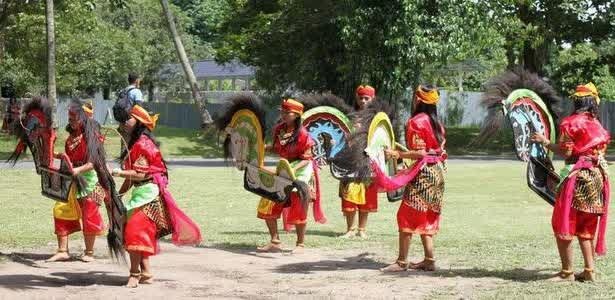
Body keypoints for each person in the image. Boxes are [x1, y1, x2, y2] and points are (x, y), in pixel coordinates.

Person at [112, 103, 202, 288]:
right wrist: (118, 194)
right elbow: (132, 178)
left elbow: (140, 174)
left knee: (134, 231)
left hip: (148, 193)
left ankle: (134, 274)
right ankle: (146, 273)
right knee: (137, 232)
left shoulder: (144, 144)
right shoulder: (134, 143)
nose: (124, 123)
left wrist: (119, 173)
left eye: (129, 119)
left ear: (139, 123)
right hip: (140, 192)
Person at [531, 83, 610, 282]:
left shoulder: (571, 123)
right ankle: (589, 271)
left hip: (578, 176)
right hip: (597, 176)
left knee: (564, 220)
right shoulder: (597, 124)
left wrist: (545, 141)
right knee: (587, 221)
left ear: (576, 102)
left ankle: (567, 272)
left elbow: (566, 152)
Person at [380, 85, 447, 272]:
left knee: (406, 214)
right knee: (426, 214)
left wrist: (396, 154)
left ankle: (402, 261)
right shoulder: (437, 124)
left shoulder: (417, 121)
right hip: (438, 173)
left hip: (423, 174)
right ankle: (429, 259)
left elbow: (419, 153)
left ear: (417, 100)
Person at [256, 99, 326, 254]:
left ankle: (300, 244)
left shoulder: (302, 134)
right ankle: (275, 241)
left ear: (297, 115)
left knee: (298, 203)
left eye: (287, 112)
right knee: (268, 200)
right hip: (284, 168)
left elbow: (306, 158)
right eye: (282, 111)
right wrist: (262, 148)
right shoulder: (279, 129)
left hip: (301, 169)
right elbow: (277, 149)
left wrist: (291, 172)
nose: (283, 114)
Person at [46, 100, 107, 263]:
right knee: (60, 208)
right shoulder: (71, 137)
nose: (71, 122)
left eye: (74, 119)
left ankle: (89, 252)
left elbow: (93, 162)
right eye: (70, 119)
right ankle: (62, 250)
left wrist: (77, 171)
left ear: (83, 118)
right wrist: (57, 156)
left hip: (89, 181)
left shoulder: (93, 137)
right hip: (71, 180)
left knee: (89, 213)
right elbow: (69, 159)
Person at [339, 85, 379, 238]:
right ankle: (350, 229)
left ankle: (362, 229)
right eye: (360, 98)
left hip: (368, 160)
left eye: (366, 98)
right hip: (350, 160)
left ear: (372, 99)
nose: (363, 101)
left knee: (367, 194)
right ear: (356, 98)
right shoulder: (350, 116)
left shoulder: (377, 117)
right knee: (349, 192)